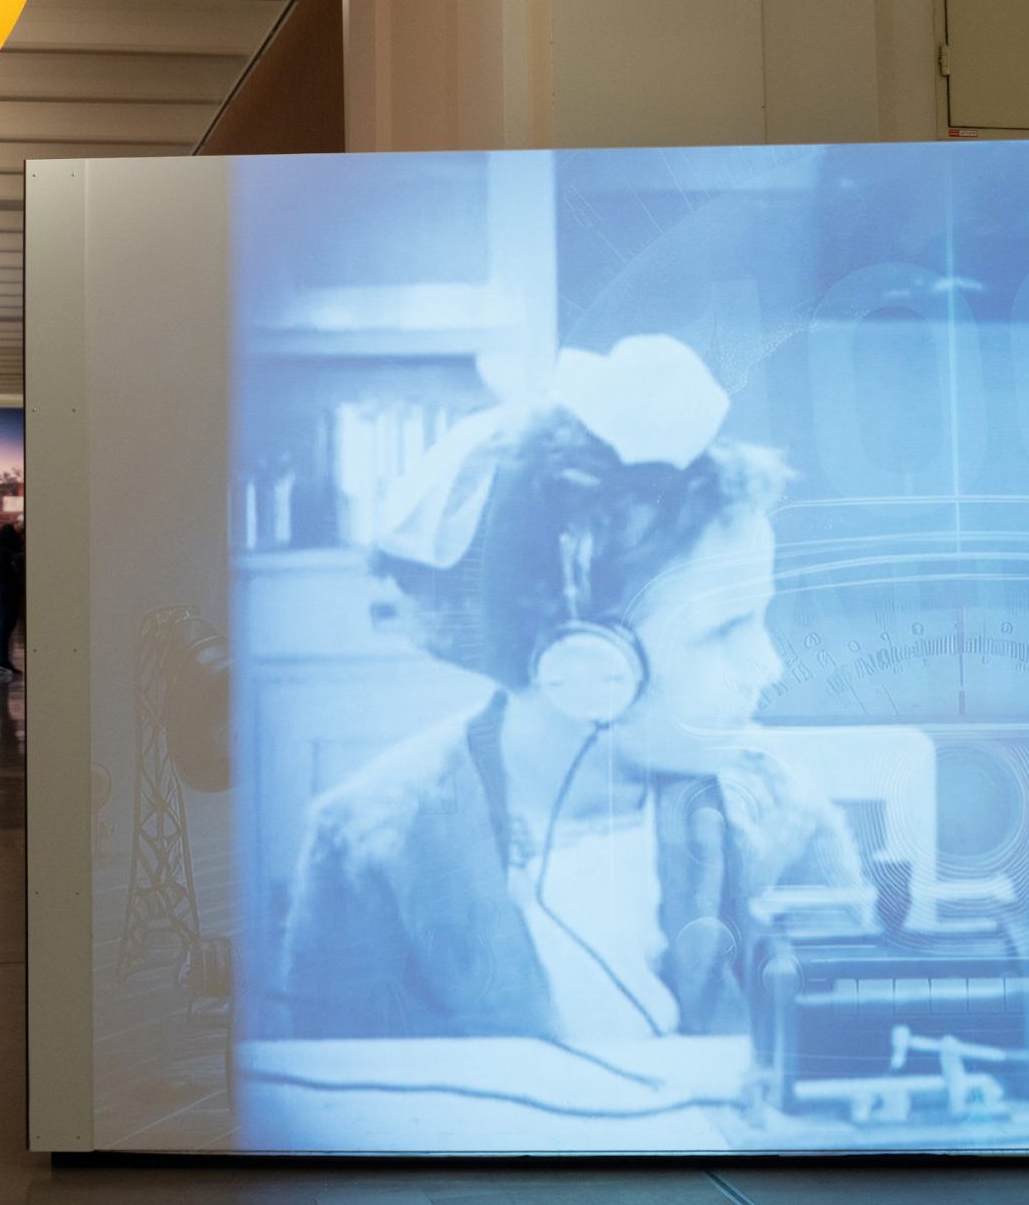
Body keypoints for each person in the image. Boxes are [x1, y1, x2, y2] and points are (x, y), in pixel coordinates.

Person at [276, 335, 859, 1043]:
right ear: (585, 662)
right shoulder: (370, 843)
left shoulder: (780, 817)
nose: (768, 663)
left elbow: (848, 1058)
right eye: (722, 629)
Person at [0, 513, 25, 677]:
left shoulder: (7, 538)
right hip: (6, 586)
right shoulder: (7, 540)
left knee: (8, 621)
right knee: (7, 621)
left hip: (5, 586)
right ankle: (1, 660)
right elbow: (8, 558)